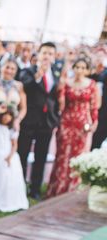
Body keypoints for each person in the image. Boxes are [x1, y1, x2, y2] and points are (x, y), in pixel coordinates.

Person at [47, 57, 100, 197]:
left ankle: (73, 188)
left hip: (82, 123)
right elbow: (60, 103)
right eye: (77, 67)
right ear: (73, 68)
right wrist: (61, 88)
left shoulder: (91, 84)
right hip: (66, 121)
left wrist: (94, 122)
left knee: (78, 155)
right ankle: (57, 187)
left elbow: (94, 106)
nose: (79, 70)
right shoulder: (67, 83)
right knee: (62, 155)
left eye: (83, 68)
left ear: (87, 70)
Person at [17, 41, 61, 200]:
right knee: (22, 154)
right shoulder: (28, 71)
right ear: (39, 54)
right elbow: (26, 87)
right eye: (44, 53)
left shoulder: (56, 73)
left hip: (47, 122)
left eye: (50, 53)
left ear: (54, 57)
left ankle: (35, 188)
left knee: (41, 157)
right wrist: (38, 75)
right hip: (29, 120)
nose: (47, 56)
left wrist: (55, 118)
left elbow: (56, 97)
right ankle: (19, 185)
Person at [0, 45, 27, 124]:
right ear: (1, 68)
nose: (9, 71)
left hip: (11, 125)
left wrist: (18, 120)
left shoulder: (19, 85)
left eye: (12, 69)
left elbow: (23, 108)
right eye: (7, 67)